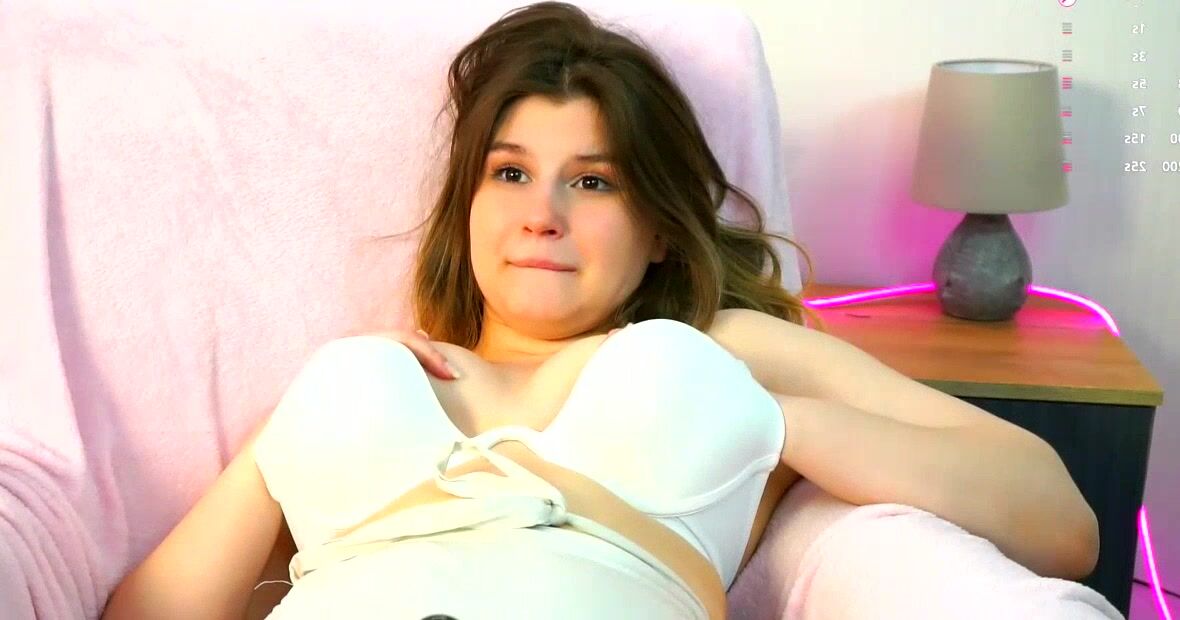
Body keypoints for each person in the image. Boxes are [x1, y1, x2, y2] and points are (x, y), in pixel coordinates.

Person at [102, 3, 1100, 619]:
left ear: (659, 227)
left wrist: (769, 418)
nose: (542, 213)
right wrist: (293, 432)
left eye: (592, 181)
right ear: (469, 205)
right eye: (509, 172)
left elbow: (1058, 519)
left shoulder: (711, 354)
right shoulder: (367, 372)